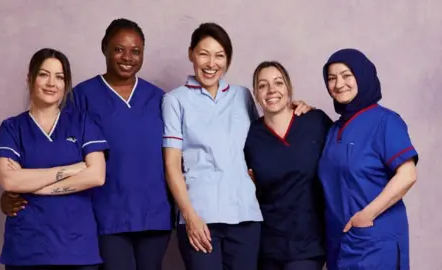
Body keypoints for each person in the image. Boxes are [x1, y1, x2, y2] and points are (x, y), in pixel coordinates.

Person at [0, 18, 173, 270]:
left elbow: (176, 155)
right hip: (104, 214)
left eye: (136, 51)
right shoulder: (81, 96)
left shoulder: (159, 98)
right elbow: (53, 148)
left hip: (154, 212)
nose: (127, 57)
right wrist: (13, 192)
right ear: (104, 48)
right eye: (118, 49)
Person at [162, 23, 312, 270]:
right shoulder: (174, 100)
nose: (211, 63)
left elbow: (266, 136)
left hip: (246, 217)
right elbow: (171, 165)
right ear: (191, 54)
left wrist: (294, 108)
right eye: (203, 54)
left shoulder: (242, 96)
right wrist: (189, 216)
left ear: (228, 60)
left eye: (219, 56)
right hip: (201, 217)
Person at [0, 48, 109, 270]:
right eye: (44, 74)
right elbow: (10, 181)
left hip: (76, 249)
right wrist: (73, 169)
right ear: (30, 78)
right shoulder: (12, 128)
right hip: (27, 249)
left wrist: (32, 184)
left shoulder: (82, 123)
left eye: (59, 77)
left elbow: (97, 175)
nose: (52, 83)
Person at [317, 48, 418, 270]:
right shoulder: (334, 130)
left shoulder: (385, 121)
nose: (338, 84)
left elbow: (408, 174)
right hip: (340, 243)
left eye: (346, 75)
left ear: (362, 76)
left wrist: (366, 215)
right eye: (331, 78)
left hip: (375, 240)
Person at [244, 61, 331, 270]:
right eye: (263, 85)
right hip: (267, 246)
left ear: (289, 89)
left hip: (308, 245)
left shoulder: (315, 122)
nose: (271, 90)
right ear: (256, 94)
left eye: (278, 83)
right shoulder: (250, 136)